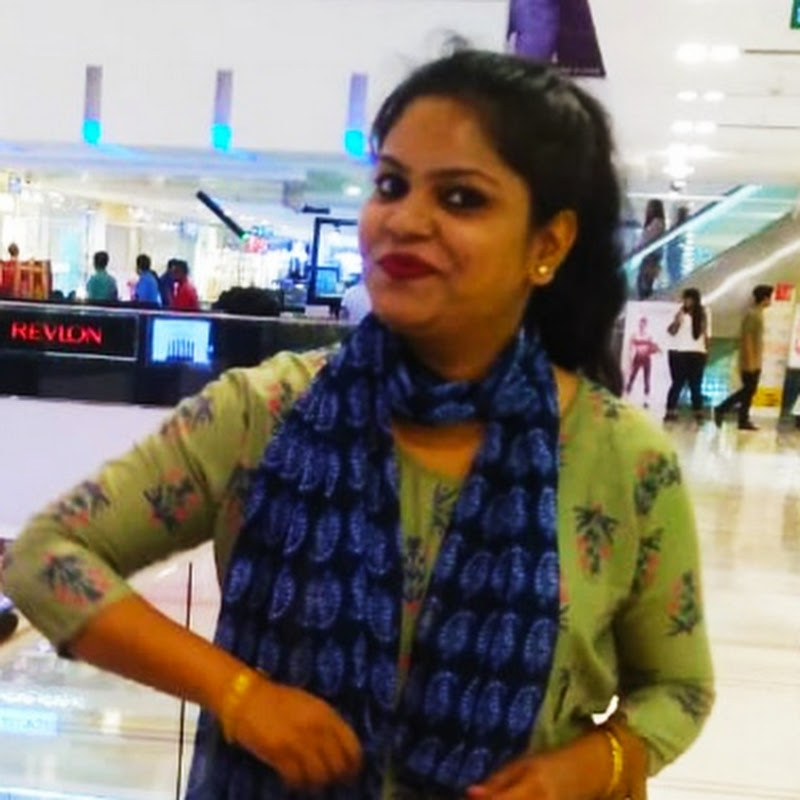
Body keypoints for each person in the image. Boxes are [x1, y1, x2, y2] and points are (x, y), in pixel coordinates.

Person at [5, 51, 713, 800]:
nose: (404, 220)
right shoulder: (265, 413)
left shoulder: (623, 461)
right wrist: (239, 695)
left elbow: (679, 688)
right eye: (392, 185)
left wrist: (594, 764)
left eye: (461, 198)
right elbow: (44, 559)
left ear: (548, 244)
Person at [714, 284, 773, 431]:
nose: (771, 300)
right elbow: (747, 339)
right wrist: (750, 362)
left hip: (756, 360)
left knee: (749, 392)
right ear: (764, 298)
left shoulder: (758, 314)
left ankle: (743, 420)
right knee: (748, 390)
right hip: (750, 361)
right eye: (770, 297)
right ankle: (722, 408)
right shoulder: (752, 315)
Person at [664, 288, 709, 423]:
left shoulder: (704, 312)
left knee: (696, 384)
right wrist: (678, 320)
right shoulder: (679, 311)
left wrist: (706, 351)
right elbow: (671, 331)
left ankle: (698, 411)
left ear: (695, 300)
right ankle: (670, 411)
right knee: (677, 383)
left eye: (688, 299)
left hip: (697, 352)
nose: (685, 301)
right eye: (684, 298)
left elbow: (707, 334)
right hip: (679, 352)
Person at [625, 316, 661, 407]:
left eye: (643, 324)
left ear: (646, 325)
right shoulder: (634, 334)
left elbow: (654, 347)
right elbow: (630, 347)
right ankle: (626, 396)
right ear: (639, 324)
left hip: (646, 358)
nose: (641, 326)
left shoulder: (649, 335)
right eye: (640, 324)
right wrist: (630, 358)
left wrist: (655, 349)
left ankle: (646, 400)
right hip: (637, 357)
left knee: (646, 379)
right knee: (632, 377)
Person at [635, 199, 665, 300]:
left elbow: (647, 238)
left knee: (644, 283)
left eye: (650, 207)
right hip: (650, 256)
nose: (647, 210)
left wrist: (638, 246)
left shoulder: (657, 222)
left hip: (651, 256)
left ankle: (645, 303)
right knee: (644, 282)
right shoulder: (655, 222)